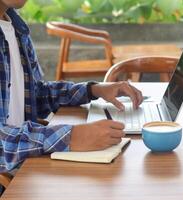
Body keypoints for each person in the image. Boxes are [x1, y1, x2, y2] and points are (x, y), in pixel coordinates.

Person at [0, 0, 143, 173]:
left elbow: (35, 95)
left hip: (26, 169)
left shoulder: (17, 28)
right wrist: (72, 137)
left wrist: (93, 89)